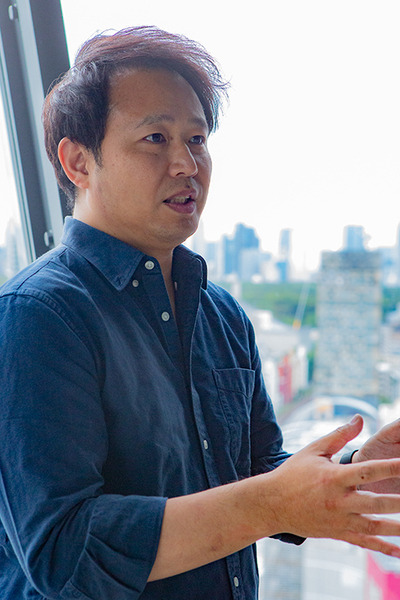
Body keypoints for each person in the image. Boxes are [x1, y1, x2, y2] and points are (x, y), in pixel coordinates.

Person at [1, 25, 400, 600]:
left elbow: (257, 474)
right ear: (78, 162)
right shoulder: (38, 316)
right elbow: (66, 553)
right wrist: (268, 505)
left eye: (196, 139)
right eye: (155, 138)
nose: (187, 163)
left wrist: (357, 472)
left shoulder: (221, 312)